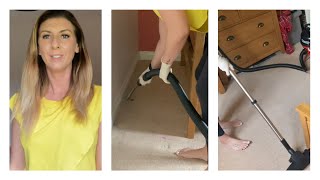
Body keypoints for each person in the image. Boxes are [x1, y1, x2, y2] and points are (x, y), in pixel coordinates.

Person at [137, 10, 250, 167]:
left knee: (203, 88)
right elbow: (166, 39)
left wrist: (166, 64)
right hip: (214, 24)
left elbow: (180, 32)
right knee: (200, 75)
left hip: (225, 21)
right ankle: (215, 124)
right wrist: (150, 69)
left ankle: (212, 147)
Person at [9, 10, 101, 170]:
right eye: (46, 36)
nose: (55, 44)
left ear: (77, 46)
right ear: (37, 48)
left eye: (64, 36)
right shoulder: (21, 103)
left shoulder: (99, 99)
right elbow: (16, 166)